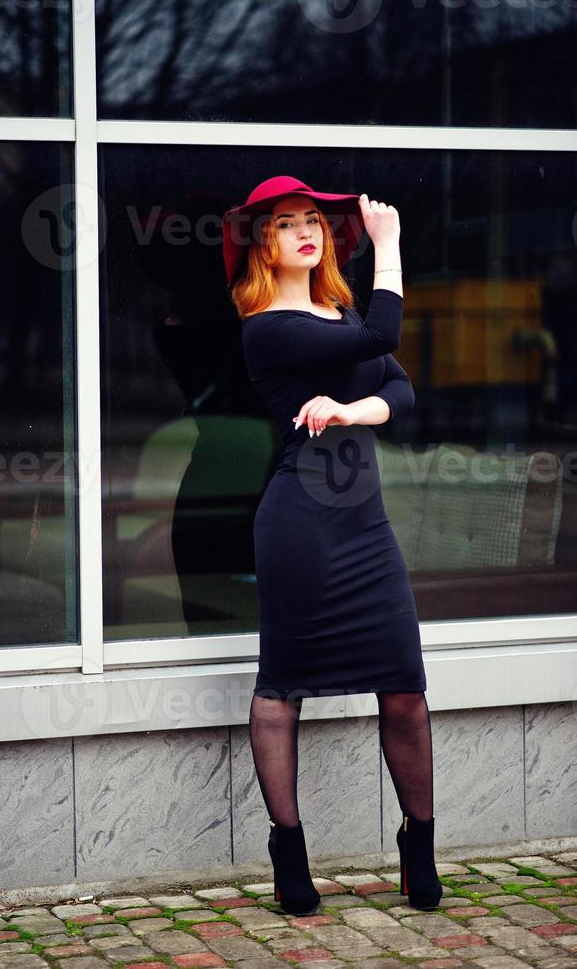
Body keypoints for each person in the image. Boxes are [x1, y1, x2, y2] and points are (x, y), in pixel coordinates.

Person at [221, 175, 443, 917]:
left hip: (365, 529)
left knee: (406, 690)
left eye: (314, 219)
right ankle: (289, 855)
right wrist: (391, 245)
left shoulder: (340, 310)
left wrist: (350, 410)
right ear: (264, 243)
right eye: (286, 223)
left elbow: (402, 388)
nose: (305, 231)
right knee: (282, 686)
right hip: (300, 526)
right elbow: (383, 340)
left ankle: (419, 848)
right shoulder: (266, 325)